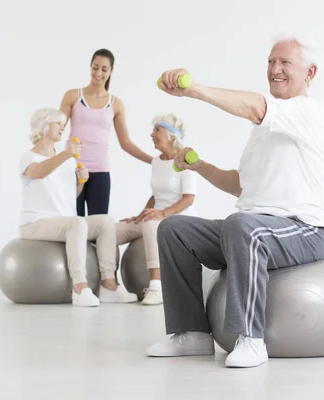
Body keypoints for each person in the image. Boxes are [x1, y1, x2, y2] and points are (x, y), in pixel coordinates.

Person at [145, 32, 324, 368]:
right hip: (251, 229)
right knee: (173, 229)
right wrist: (198, 165)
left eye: (285, 62)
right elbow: (240, 185)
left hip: (304, 230)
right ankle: (192, 335)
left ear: (310, 73)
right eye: (271, 61)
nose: (275, 68)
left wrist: (194, 90)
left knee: (242, 226)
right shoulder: (263, 130)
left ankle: (251, 338)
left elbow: (254, 105)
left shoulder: (309, 111)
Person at [18, 107, 138, 306]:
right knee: (76, 224)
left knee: (105, 222)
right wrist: (66, 155)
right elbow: (38, 172)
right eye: (57, 123)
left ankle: (109, 285)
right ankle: (80, 288)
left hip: (64, 222)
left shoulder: (68, 160)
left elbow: (70, 196)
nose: (62, 127)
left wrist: (81, 182)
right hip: (35, 223)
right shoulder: (29, 157)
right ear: (44, 126)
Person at [59, 49, 153, 217]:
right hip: (72, 167)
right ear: (90, 67)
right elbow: (57, 128)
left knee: (98, 225)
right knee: (73, 224)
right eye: (95, 67)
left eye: (104, 69)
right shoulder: (73, 95)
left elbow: (126, 143)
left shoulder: (116, 104)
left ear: (111, 71)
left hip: (100, 170)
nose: (98, 73)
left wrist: (153, 161)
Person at [116, 113, 198, 306]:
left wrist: (162, 214)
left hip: (179, 218)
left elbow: (188, 199)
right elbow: (156, 195)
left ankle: (156, 287)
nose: (151, 134)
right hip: (156, 215)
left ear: (171, 135)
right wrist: (140, 215)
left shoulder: (185, 161)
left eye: (157, 130)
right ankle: (111, 286)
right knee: (112, 231)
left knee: (151, 225)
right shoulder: (156, 162)